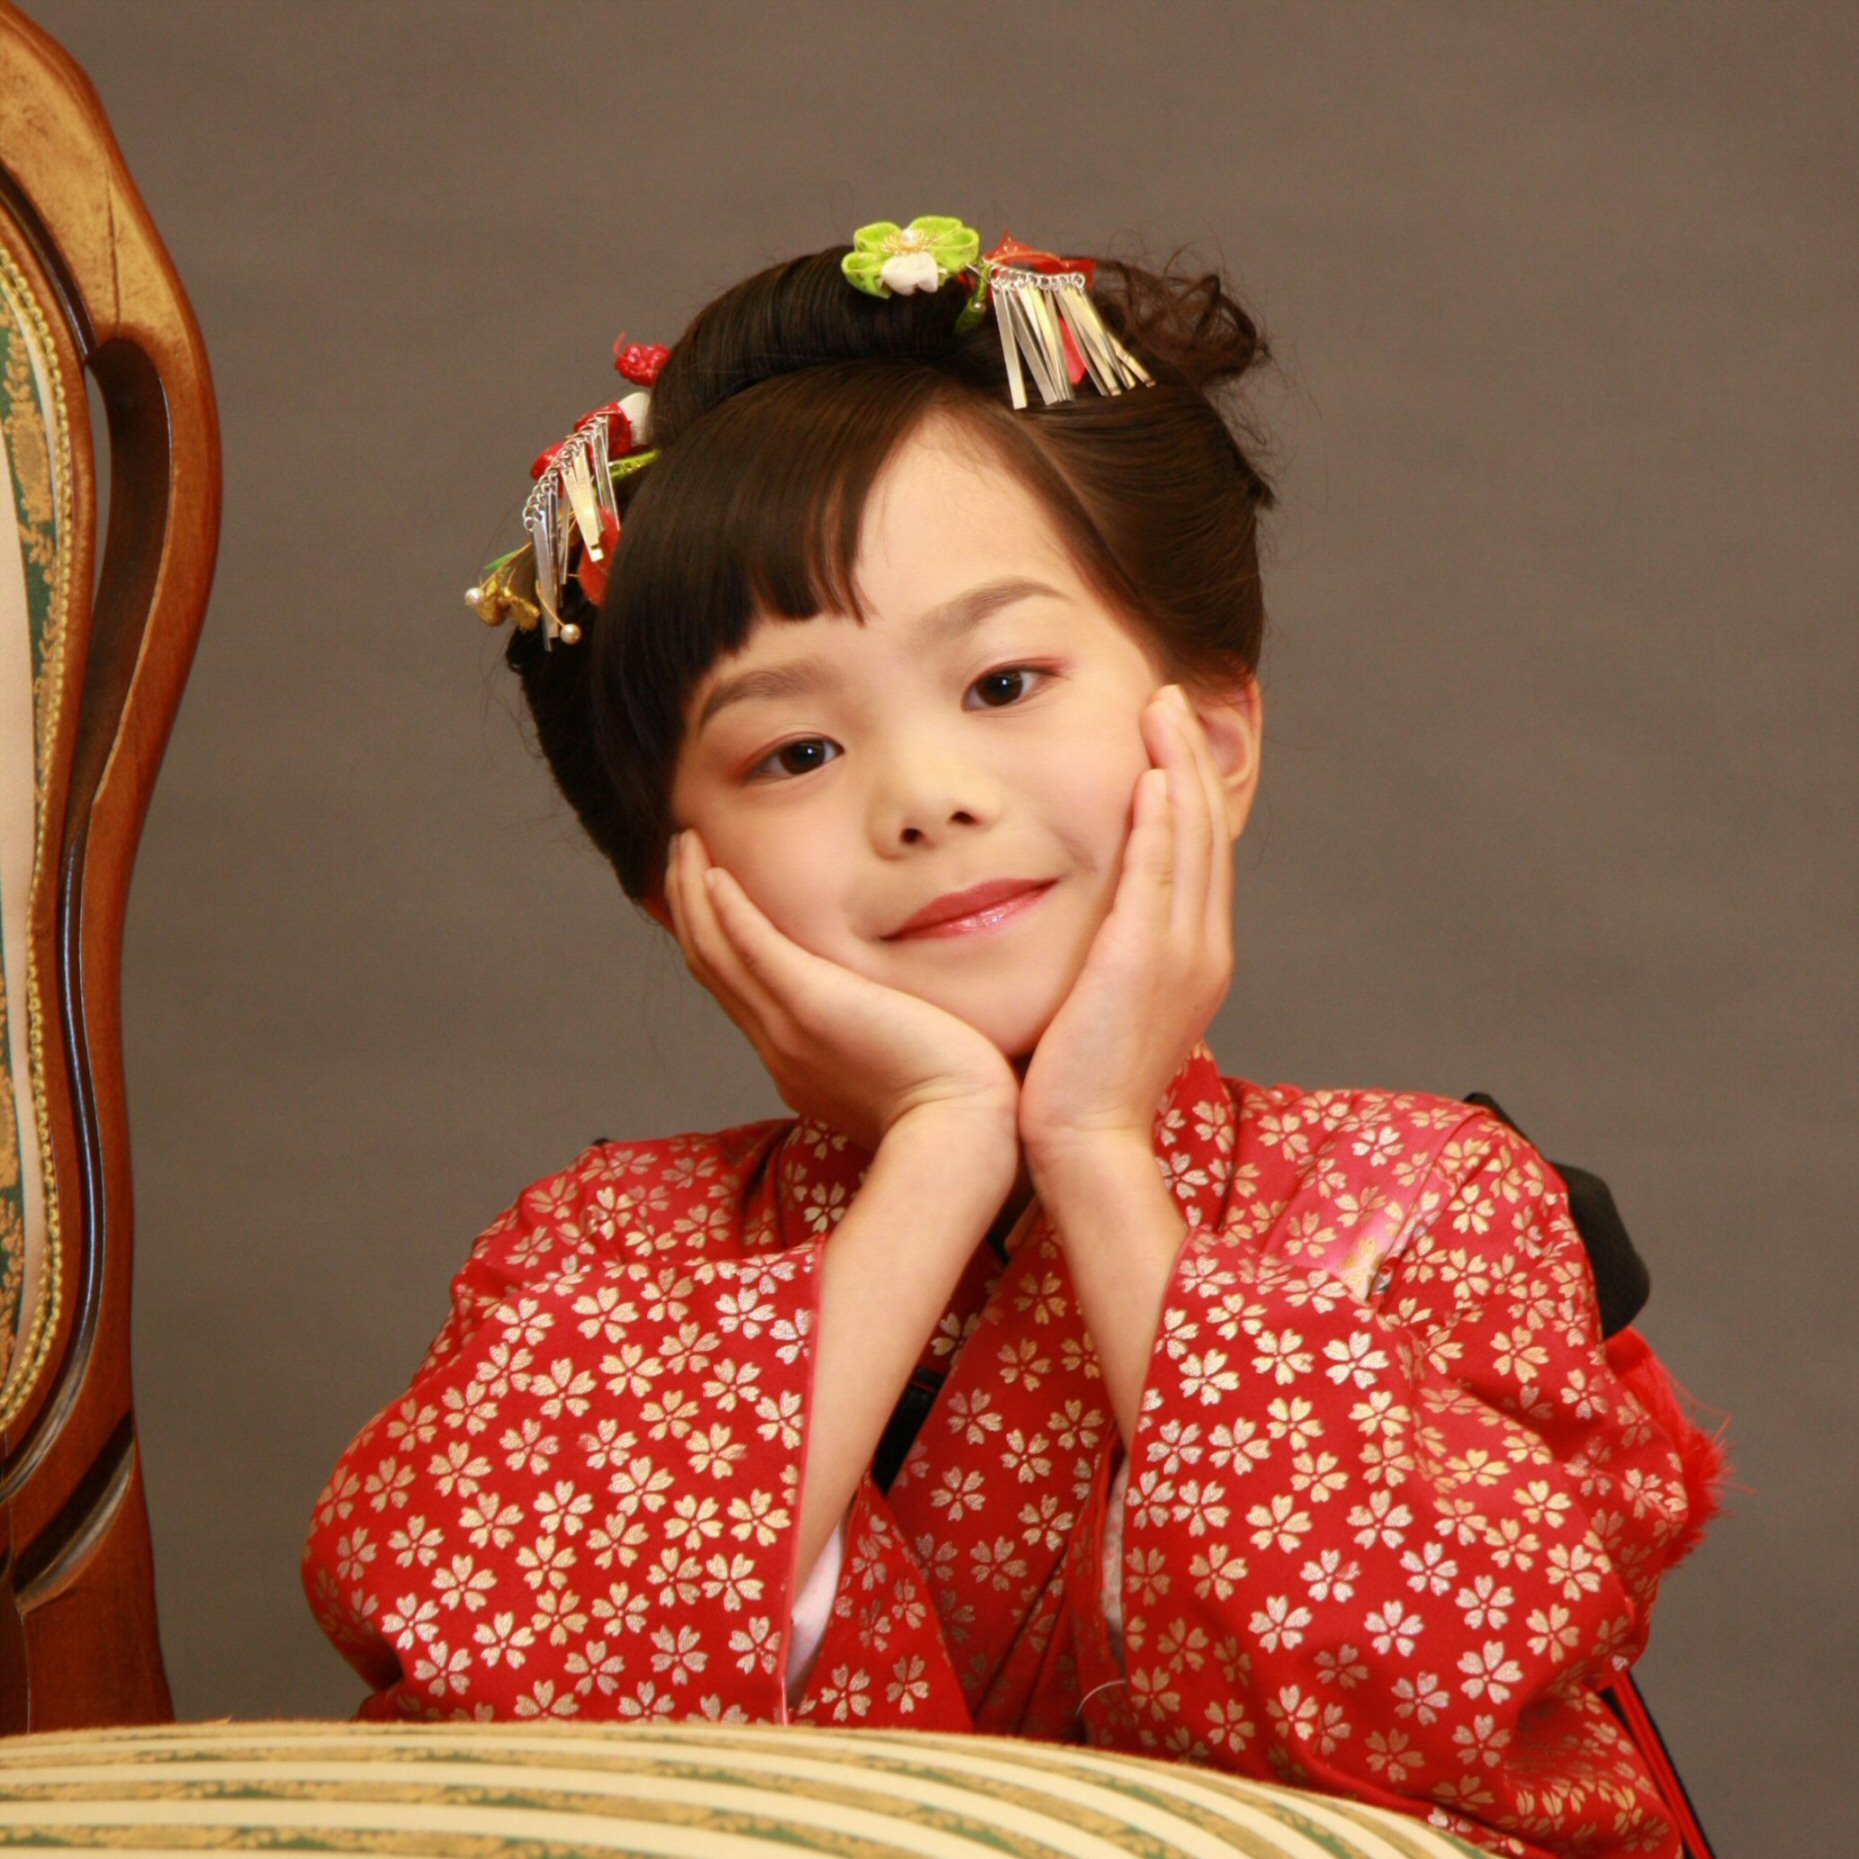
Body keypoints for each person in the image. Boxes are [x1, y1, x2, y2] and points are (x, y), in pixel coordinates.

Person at [304, 219, 1720, 1858]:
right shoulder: (594, 1250)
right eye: (794, 752)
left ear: (1212, 737)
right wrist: (939, 1152)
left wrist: (1099, 1155)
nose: (926, 798)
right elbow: (513, 1761)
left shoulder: (1438, 1205)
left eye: (1002, 684)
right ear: (671, 884)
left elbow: (1432, 1714)